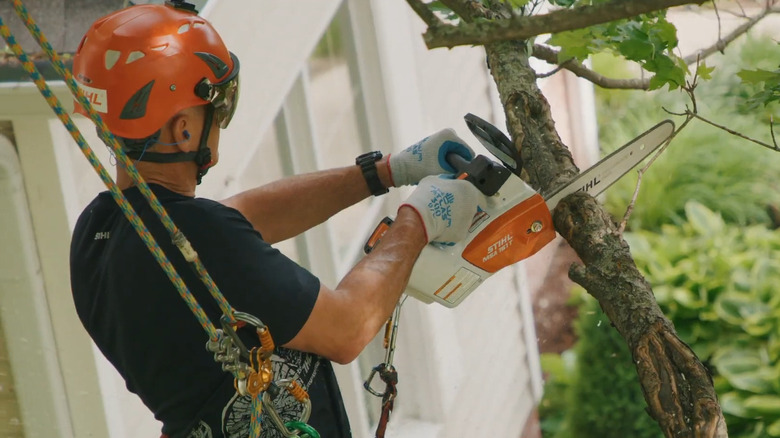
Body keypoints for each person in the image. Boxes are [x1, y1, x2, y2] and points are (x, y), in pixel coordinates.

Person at [68, 3, 486, 438]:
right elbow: (349, 327)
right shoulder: (201, 238)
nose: (222, 121)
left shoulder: (96, 234)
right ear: (182, 131)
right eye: (219, 106)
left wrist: (385, 172)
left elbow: (240, 217)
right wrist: (418, 220)